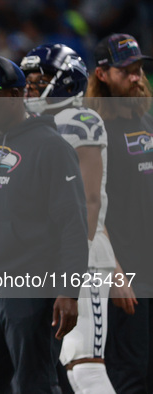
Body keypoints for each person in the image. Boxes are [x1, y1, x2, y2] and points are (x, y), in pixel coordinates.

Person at [0, 56, 89, 392]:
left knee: (32, 383)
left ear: (16, 95)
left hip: (30, 284)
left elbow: (72, 223)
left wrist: (69, 291)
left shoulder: (52, 147)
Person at [21, 43, 117, 393]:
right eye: (28, 77)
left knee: (84, 365)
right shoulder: (34, 123)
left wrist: (75, 262)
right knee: (61, 366)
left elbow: (89, 199)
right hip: (47, 257)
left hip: (81, 256)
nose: (31, 85)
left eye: (39, 77)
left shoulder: (80, 120)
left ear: (66, 81)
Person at [86, 33, 153, 392]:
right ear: (102, 74)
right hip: (128, 280)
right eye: (126, 70)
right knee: (130, 376)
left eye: (139, 69)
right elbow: (91, 207)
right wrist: (115, 273)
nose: (136, 77)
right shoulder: (95, 132)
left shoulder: (149, 123)